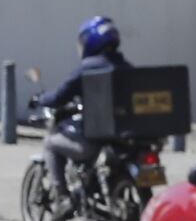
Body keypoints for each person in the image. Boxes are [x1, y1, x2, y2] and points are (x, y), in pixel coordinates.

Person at [35, 16, 127, 200]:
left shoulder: (88, 68)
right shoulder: (125, 67)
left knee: (51, 143)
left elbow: (60, 96)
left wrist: (41, 99)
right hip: (125, 137)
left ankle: (62, 198)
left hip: (96, 139)